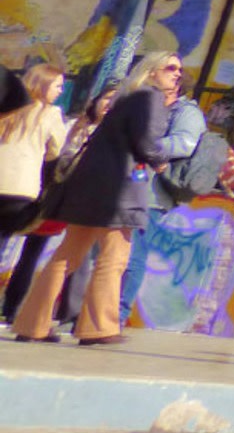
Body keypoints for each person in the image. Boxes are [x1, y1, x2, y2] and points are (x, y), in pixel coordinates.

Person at [10, 52, 176, 345]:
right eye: (170, 68)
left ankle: (31, 323)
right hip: (120, 190)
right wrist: (161, 160)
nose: (177, 74)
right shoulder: (150, 99)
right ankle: (98, 327)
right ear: (152, 72)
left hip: (88, 188)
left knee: (66, 256)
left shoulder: (125, 98)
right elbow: (146, 141)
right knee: (114, 259)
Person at [3, 87, 114, 325]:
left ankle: (69, 312)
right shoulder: (73, 125)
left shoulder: (115, 133)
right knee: (32, 249)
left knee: (79, 255)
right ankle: (12, 307)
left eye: (116, 101)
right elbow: (56, 155)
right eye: (106, 97)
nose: (109, 104)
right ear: (95, 100)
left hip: (87, 200)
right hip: (57, 195)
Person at [118, 61, 208, 325]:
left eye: (176, 73)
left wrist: (145, 146)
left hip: (152, 194)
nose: (174, 76)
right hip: (124, 186)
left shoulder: (186, 112)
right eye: (170, 70)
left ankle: (118, 314)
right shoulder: (144, 104)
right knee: (113, 253)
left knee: (133, 254)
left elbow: (185, 143)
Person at [0, 64, 68, 235]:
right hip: (21, 188)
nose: (61, 91)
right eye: (58, 86)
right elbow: (56, 150)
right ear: (43, 84)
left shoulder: (8, 107)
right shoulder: (50, 113)